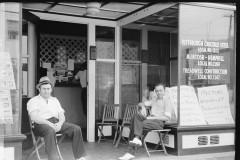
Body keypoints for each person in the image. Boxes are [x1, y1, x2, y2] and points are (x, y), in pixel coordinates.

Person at [27, 76, 86, 160]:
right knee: (50, 130)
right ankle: (53, 158)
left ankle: (79, 157)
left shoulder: (55, 100)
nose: (46, 91)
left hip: (56, 122)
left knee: (76, 129)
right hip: (40, 124)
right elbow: (34, 117)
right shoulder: (33, 101)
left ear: (51, 89)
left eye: (48, 89)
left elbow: (61, 115)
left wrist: (60, 123)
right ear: (39, 89)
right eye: (44, 89)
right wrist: (49, 124)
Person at [119, 83, 173, 160]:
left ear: (164, 91)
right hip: (149, 121)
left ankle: (130, 152)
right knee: (135, 116)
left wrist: (149, 118)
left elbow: (166, 118)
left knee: (135, 124)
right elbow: (140, 103)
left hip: (158, 122)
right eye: (157, 91)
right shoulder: (153, 101)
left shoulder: (167, 101)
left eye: (160, 90)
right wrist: (143, 107)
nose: (158, 93)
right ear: (154, 91)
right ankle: (136, 139)